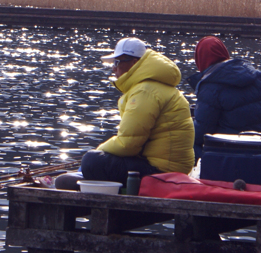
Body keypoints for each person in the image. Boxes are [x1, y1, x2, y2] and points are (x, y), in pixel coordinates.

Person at [80, 38, 195, 185]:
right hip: (169, 167)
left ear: (134, 63)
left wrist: (99, 151)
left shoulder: (145, 91)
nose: (114, 68)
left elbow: (128, 144)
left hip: (162, 171)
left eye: (117, 62)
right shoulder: (152, 86)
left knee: (91, 161)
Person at [186, 36, 261, 159]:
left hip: (225, 156)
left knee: (186, 143)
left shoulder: (209, 87)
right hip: (259, 153)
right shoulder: (256, 78)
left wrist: (184, 127)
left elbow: (201, 132)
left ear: (200, 61)